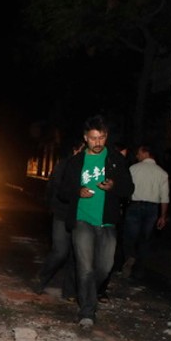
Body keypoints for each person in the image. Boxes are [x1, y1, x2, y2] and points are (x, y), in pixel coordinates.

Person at [57, 115, 134, 330]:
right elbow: (62, 192)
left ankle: (87, 293)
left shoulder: (116, 159)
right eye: (93, 138)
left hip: (107, 221)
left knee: (105, 266)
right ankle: (87, 312)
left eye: (101, 138)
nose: (97, 143)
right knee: (85, 267)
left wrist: (114, 187)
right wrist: (77, 191)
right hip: (82, 219)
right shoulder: (75, 162)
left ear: (106, 137)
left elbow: (129, 189)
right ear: (85, 138)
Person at [32, 141, 83, 299]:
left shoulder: (90, 168)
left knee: (76, 255)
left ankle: (69, 292)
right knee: (60, 251)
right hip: (62, 214)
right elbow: (55, 189)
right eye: (82, 150)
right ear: (75, 150)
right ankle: (41, 278)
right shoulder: (64, 166)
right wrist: (52, 208)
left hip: (81, 216)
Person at [121, 145, 170, 279]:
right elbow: (165, 197)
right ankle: (139, 270)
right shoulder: (162, 173)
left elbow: (126, 189)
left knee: (129, 237)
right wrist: (163, 216)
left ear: (145, 153)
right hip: (152, 209)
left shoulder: (133, 169)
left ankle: (130, 257)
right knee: (145, 239)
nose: (137, 156)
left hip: (135, 205)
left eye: (138, 153)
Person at [97, 142, 131, 301]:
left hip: (110, 219)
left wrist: (113, 186)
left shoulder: (120, 166)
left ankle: (100, 289)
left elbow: (128, 189)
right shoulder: (92, 159)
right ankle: (86, 293)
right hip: (88, 218)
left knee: (106, 261)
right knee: (86, 257)